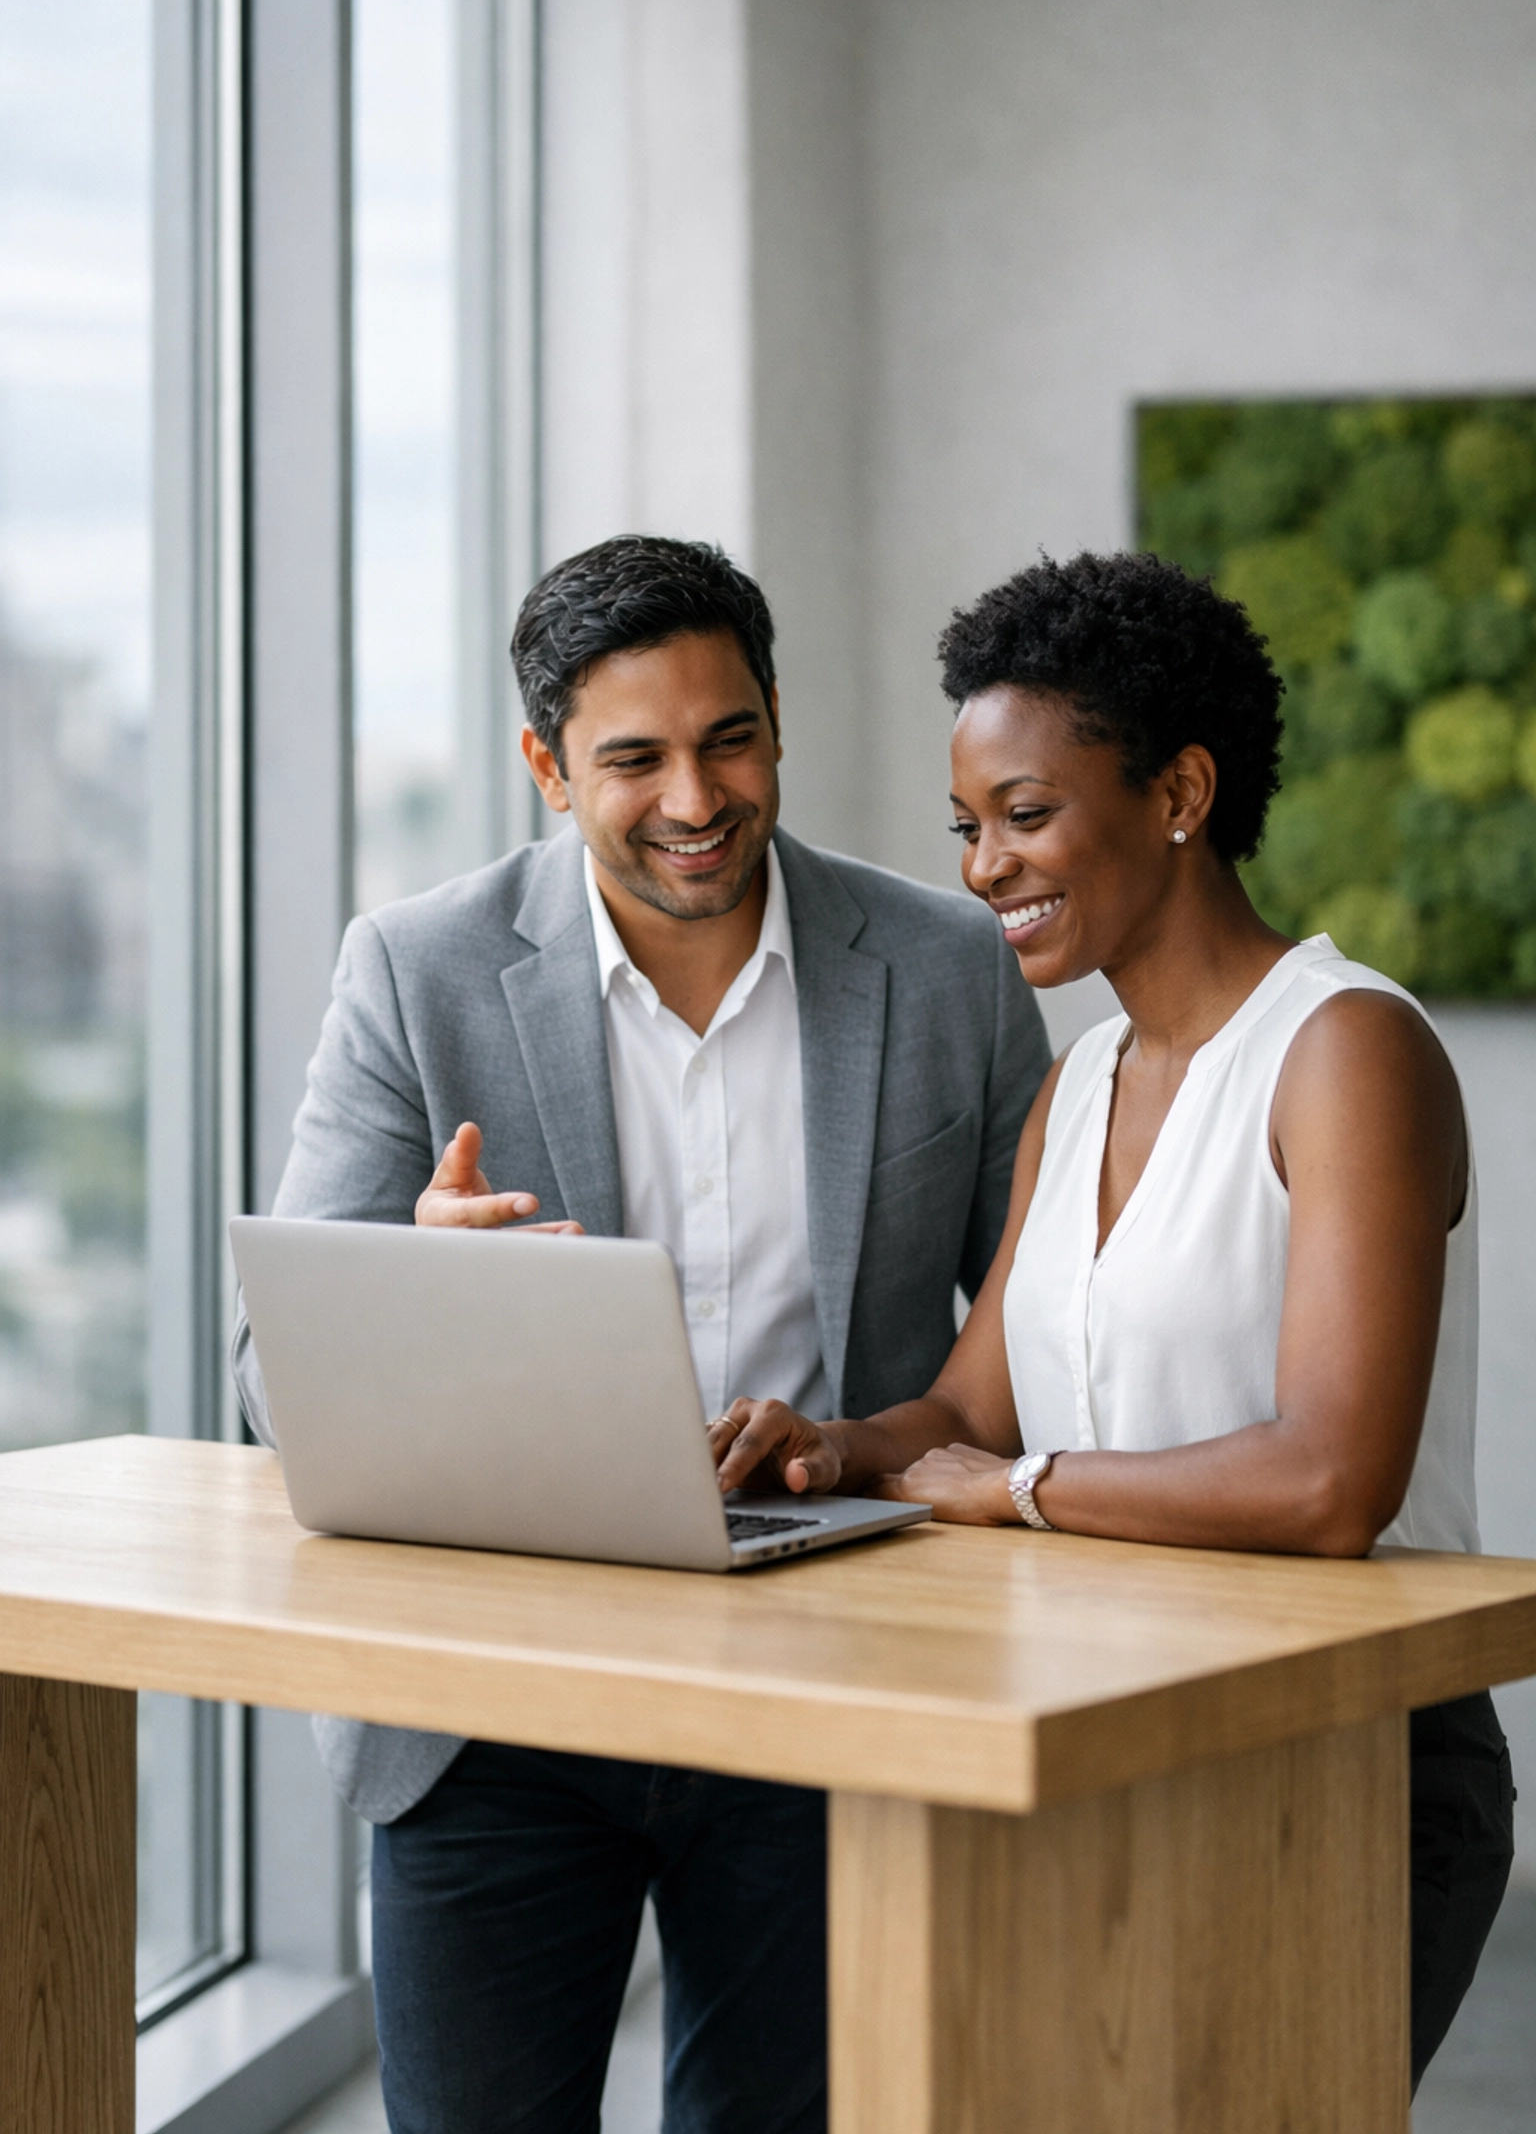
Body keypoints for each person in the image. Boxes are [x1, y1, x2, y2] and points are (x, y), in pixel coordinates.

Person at [231, 533, 1050, 2134]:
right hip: (497, 1705)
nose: (696, 797)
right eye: (634, 759)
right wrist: (423, 1292)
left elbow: (1043, 1327)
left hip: (839, 1680)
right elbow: (274, 1378)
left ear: (778, 724)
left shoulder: (947, 965)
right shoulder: (416, 968)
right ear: (547, 767)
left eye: (729, 739)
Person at [715, 547, 1515, 2094]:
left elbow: (1331, 1483)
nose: (983, 867)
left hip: (1347, 1757)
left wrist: (1018, 1493)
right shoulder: (1081, 1080)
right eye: (967, 827)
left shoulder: (1347, 1051)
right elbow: (971, 1412)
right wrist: (827, 1447)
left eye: (1024, 815)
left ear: (1181, 793)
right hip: (1113, 1726)